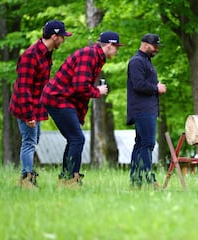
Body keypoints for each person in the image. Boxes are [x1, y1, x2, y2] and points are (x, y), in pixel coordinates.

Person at [40, 31, 123, 186]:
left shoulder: (96, 57)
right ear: (110, 45)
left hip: (64, 99)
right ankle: (70, 179)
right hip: (57, 97)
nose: (117, 50)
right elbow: (80, 87)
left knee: (73, 139)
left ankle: (66, 177)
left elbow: (79, 89)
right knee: (77, 138)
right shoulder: (90, 55)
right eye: (116, 47)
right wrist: (97, 91)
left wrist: (79, 116)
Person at [9, 20, 72, 188]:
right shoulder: (31, 55)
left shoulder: (46, 53)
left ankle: (26, 177)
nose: (63, 40)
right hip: (26, 105)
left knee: (34, 139)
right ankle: (27, 179)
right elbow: (23, 87)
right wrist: (28, 115)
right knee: (29, 141)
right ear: (54, 36)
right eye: (62, 37)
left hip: (37, 104)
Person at [127, 33, 167, 189]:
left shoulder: (146, 61)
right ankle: (149, 179)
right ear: (145, 45)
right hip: (142, 109)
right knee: (148, 143)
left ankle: (136, 180)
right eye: (154, 46)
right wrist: (156, 88)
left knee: (140, 144)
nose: (156, 49)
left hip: (148, 108)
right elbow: (138, 84)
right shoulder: (137, 61)